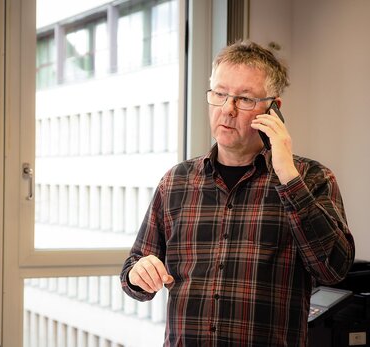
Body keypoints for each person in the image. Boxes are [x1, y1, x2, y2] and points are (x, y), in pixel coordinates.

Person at [120, 40, 355, 346]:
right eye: (219, 94)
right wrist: (137, 273)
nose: (227, 109)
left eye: (244, 98)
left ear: (273, 109)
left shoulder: (311, 178)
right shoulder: (175, 182)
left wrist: (287, 177)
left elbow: (333, 270)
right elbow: (134, 269)